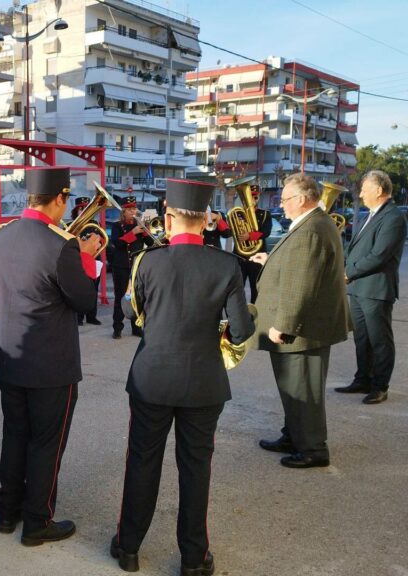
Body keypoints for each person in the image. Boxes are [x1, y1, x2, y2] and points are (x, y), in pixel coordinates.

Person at [111, 180, 254, 575]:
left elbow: (132, 314)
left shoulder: (146, 260)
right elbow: (241, 331)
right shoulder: (227, 264)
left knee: (142, 461)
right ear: (207, 219)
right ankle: (194, 558)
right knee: (196, 468)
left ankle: (128, 548)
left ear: (170, 219)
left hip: (150, 379)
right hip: (203, 382)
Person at [0, 168, 100, 546]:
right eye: (66, 201)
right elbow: (84, 301)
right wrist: (86, 257)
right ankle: (38, 521)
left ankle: (8, 513)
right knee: (46, 443)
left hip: (9, 357)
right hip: (50, 363)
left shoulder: (1, 235)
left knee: (15, 435)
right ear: (59, 199)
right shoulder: (62, 244)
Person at [251, 173, 349, 469]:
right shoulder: (312, 224)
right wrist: (272, 261)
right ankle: (293, 435)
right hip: (306, 328)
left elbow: (302, 285)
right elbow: (301, 268)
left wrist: (284, 324)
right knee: (293, 388)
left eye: (285, 199)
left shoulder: (310, 230)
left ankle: (312, 449)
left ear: (302, 199)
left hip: (301, 330)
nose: (281, 205)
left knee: (303, 389)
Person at [336, 170, 408, 405]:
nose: (361, 194)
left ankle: (380, 386)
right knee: (362, 338)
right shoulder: (372, 214)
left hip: (376, 290)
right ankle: (362, 379)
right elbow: (356, 247)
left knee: (380, 340)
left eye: (365, 189)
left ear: (379, 190)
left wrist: (349, 271)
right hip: (358, 288)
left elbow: (380, 255)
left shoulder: (393, 217)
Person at [109, 196, 153, 339]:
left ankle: (136, 327)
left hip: (136, 267)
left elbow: (151, 243)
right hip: (121, 266)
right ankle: (117, 328)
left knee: (137, 297)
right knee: (120, 297)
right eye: (130, 209)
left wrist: (146, 232)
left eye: (134, 209)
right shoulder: (117, 226)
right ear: (124, 211)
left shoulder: (140, 225)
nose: (133, 212)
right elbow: (117, 244)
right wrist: (132, 233)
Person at [234, 184, 272, 303]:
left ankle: (255, 314)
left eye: (255, 197)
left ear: (259, 198)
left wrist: (249, 236)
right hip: (240, 255)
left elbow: (265, 232)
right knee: (237, 287)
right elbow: (232, 231)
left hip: (257, 254)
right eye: (251, 197)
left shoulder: (265, 214)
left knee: (255, 286)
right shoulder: (239, 213)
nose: (253, 200)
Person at [71, 197, 102, 326]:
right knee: (79, 289)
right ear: (76, 210)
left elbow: (102, 242)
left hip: (94, 260)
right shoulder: (71, 226)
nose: (84, 211)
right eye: (82, 208)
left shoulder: (95, 225)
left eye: (87, 208)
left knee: (93, 290)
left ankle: (91, 316)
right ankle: (78, 317)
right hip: (78, 262)